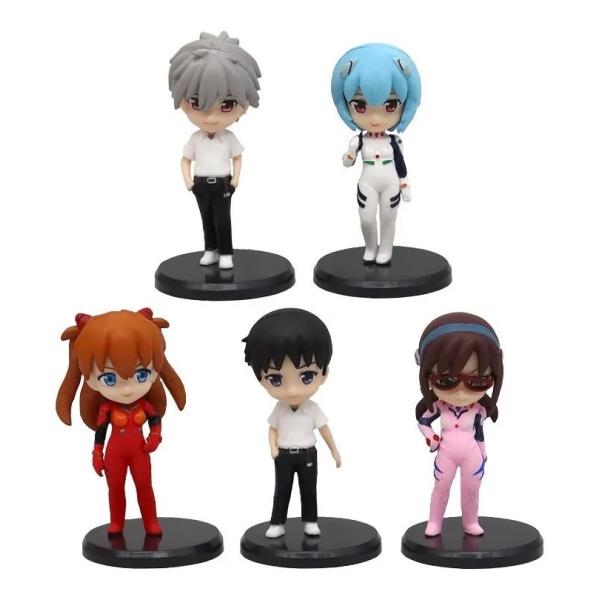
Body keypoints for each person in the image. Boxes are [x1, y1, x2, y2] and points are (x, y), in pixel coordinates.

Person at [56, 308, 186, 535]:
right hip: (114, 454)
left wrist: (155, 436)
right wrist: (97, 454)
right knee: (115, 489)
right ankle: (117, 523)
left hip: (140, 452)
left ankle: (150, 522)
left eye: (141, 375)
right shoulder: (106, 409)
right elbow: (100, 432)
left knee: (144, 487)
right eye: (109, 378)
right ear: (91, 380)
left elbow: (154, 420)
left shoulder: (144, 405)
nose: (127, 389)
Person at [243, 309, 342, 538]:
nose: (292, 390)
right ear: (261, 379)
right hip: (284, 455)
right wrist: (273, 448)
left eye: (306, 376)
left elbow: (324, 429)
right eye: (275, 379)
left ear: (324, 374)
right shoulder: (279, 409)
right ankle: (277, 523)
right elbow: (272, 429)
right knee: (282, 490)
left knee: (309, 490)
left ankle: (310, 521)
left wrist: (334, 451)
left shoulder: (312, 409)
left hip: (307, 454)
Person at [169, 31, 261, 269]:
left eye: (226, 104)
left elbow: (238, 157)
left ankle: (226, 253)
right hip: (200, 184)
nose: (211, 117)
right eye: (197, 103)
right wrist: (188, 182)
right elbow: (185, 160)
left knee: (222, 219)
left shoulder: (228, 138)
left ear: (243, 106)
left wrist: (236, 179)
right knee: (206, 218)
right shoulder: (195, 139)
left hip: (222, 184)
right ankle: (211, 250)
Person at [414, 313, 504, 537]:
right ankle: (434, 522)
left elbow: (479, 432)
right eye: (446, 381)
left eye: (477, 381)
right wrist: (430, 436)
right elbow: (423, 421)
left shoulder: (478, 409)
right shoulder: (439, 406)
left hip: (471, 454)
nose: (461, 393)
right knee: (441, 487)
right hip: (446, 454)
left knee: (471, 489)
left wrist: (483, 453)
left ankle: (470, 522)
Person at [331, 43, 421, 264]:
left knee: (389, 219)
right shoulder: (358, 140)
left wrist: (405, 184)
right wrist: (349, 155)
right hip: (367, 183)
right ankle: (371, 247)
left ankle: (386, 249)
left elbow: (401, 165)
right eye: (360, 106)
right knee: (367, 219)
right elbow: (346, 163)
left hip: (391, 183)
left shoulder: (395, 141)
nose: (375, 118)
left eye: (390, 105)